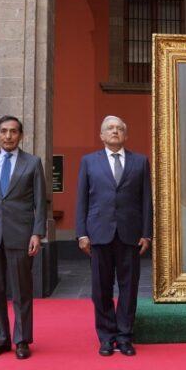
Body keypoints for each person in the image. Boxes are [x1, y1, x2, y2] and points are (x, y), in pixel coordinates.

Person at [0, 115, 46, 360]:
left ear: (21, 135)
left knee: (22, 291)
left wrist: (37, 233)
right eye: (3, 131)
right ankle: (0, 340)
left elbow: (40, 203)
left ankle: (22, 340)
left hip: (21, 235)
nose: (8, 136)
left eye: (13, 131)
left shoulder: (32, 163)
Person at [76, 115, 152, 357]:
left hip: (130, 234)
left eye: (119, 128)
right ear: (101, 135)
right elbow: (82, 199)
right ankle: (107, 337)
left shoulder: (140, 162)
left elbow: (146, 200)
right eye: (110, 128)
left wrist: (147, 234)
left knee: (129, 288)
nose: (115, 131)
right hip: (98, 234)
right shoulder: (89, 162)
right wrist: (81, 233)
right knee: (101, 289)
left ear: (126, 135)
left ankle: (125, 336)